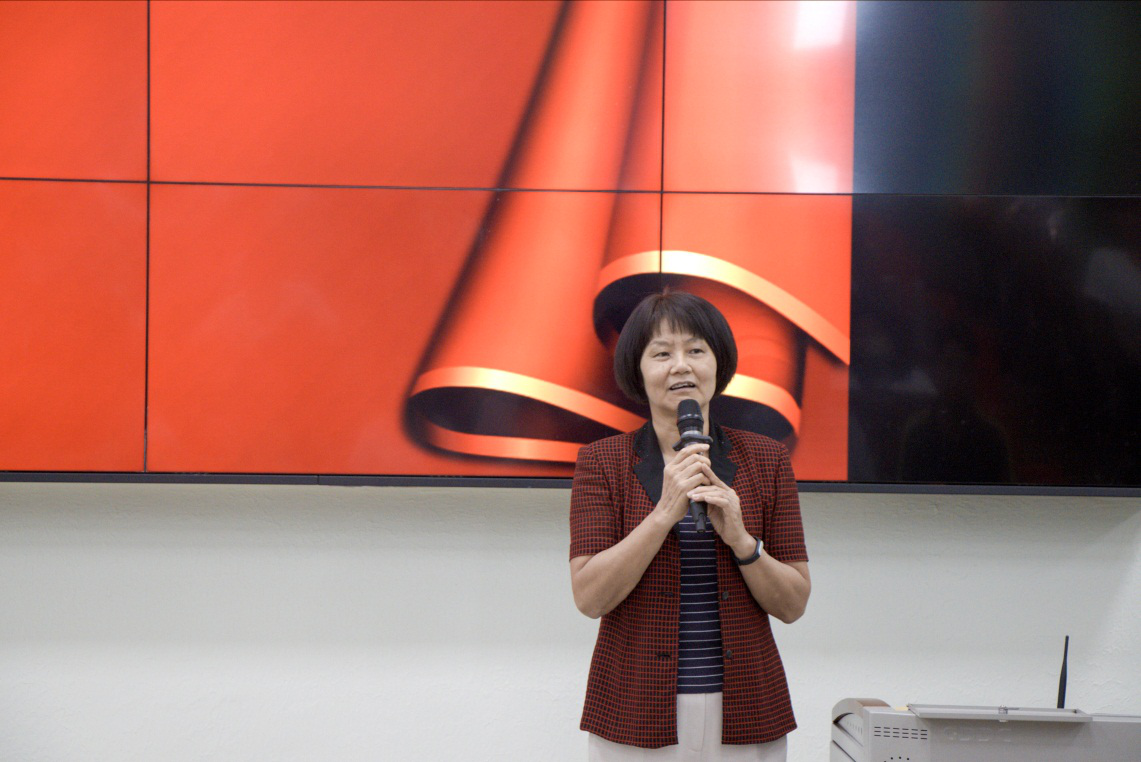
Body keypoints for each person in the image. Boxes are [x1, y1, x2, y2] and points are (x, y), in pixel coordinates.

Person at [569, 291, 811, 761]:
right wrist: (664, 513)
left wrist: (742, 541)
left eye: (696, 350)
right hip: (636, 708)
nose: (681, 366)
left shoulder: (767, 459)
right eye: (662, 354)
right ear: (638, 370)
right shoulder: (602, 462)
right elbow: (589, 597)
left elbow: (794, 603)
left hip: (746, 708)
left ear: (718, 364)